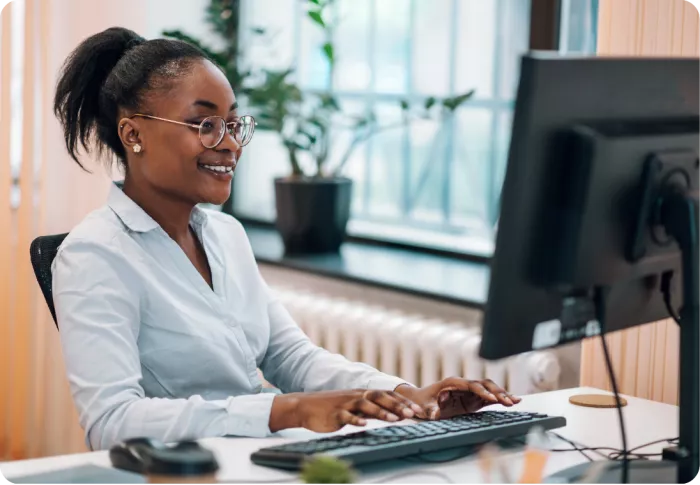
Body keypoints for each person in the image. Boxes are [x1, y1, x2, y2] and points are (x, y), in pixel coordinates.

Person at [52, 27, 520, 451]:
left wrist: (402, 396)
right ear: (133, 134)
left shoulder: (225, 235)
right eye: (205, 125)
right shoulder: (94, 256)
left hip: (263, 457)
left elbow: (290, 356)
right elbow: (110, 422)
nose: (231, 144)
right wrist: (285, 411)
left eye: (233, 124)